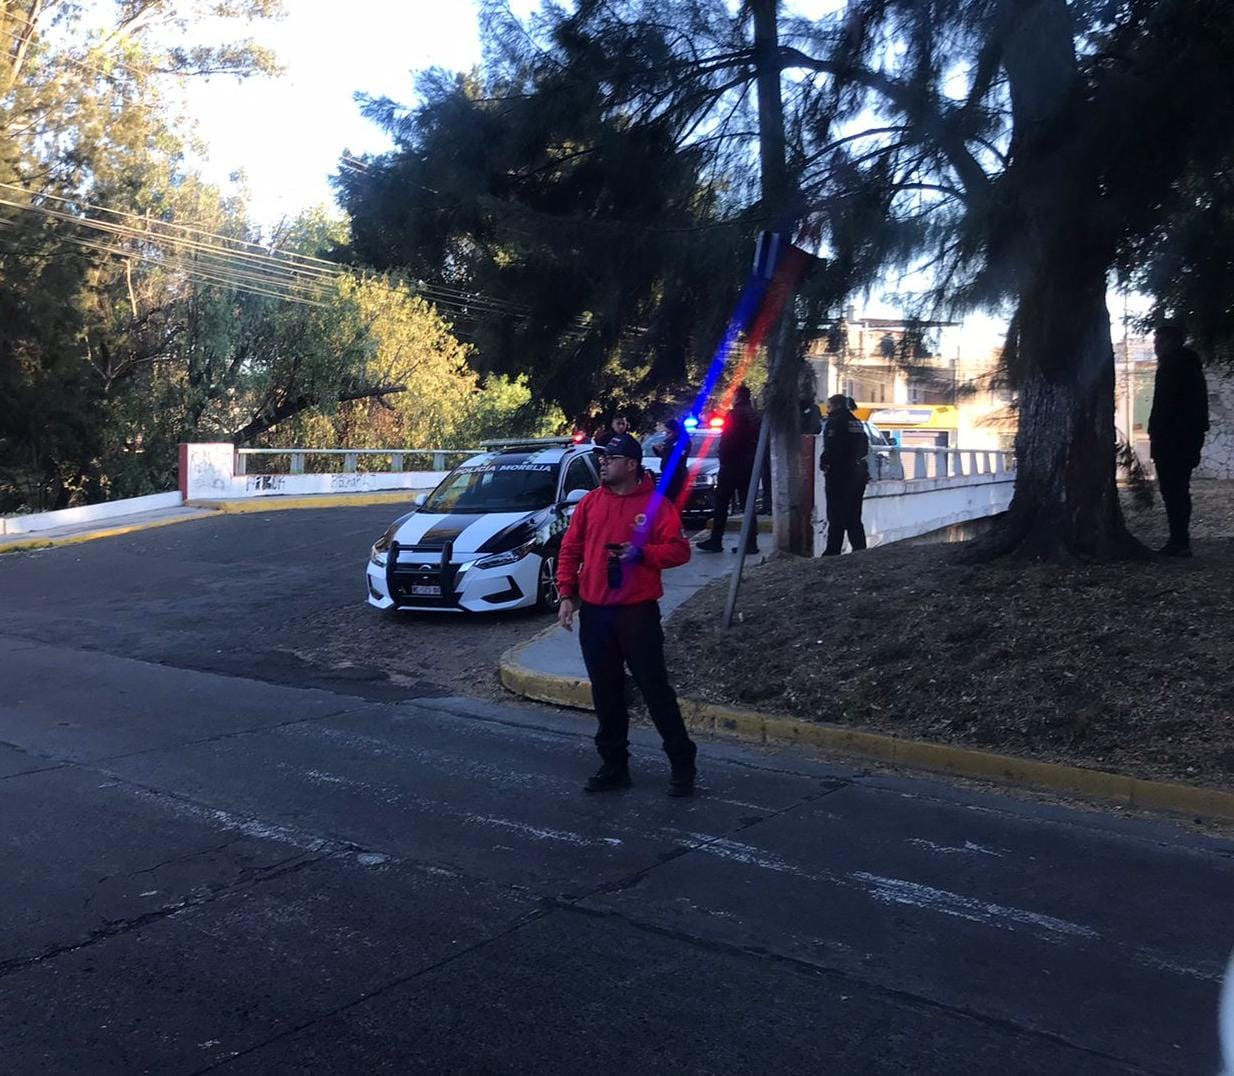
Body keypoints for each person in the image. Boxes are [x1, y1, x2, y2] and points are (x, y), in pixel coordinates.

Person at [556, 432, 698, 797]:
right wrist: (567, 594)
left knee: (655, 690)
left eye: (610, 458)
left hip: (637, 614)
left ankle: (682, 764)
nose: (602, 463)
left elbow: (680, 551)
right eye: (602, 458)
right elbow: (570, 549)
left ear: (631, 464)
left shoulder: (656, 506)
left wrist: (642, 554)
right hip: (597, 614)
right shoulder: (590, 503)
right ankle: (614, 765)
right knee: (606, 692)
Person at [1148, 320, 1209, 557]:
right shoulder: (1189, 367)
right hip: (1184, 439)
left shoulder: (1173, 367)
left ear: (1173, 342)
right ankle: (1180, 540)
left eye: (1160, 341)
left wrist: (1158, 434)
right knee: (1178, 490)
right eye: (1155, 341)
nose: (1156, 345)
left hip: (1174, 441)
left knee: (1174, 490)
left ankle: (1179, 541)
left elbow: (1164, 407)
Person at [696, 384, 760, 555]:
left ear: (738, 397)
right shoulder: (755, 415)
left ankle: (716, 540)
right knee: (748, 505)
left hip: (732, 465)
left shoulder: (735, 414)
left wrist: (723, 458)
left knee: (722, 503)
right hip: (750, 465)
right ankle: (750, 543)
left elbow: (727, 441)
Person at [820, 393, 870, 556]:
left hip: (840, 475)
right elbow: (864, 448)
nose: (828, 410)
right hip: (858, 474)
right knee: (854, 516)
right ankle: (860, 550)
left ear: (835, 406)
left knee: (836, 515)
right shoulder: (857, 422)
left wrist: (825, 463)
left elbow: (832, 448)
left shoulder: (835, 422)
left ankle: (833, 551)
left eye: (829, 406)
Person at [653, 417, 691, 507]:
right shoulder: (669, 441)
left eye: (669, 432)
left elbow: (677, 457)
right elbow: (664, 455)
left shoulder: (683, 441)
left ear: (676, 431)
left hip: (676, 476)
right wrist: (657, 449)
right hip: (666, 474)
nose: (667, 435)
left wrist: (665, 450)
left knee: (672, 501)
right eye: (666, 432)